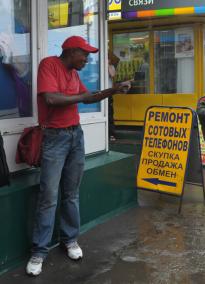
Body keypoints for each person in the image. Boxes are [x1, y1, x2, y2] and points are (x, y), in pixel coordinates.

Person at [26, 36, 131, 276]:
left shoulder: (74, 74)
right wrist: (82, 98)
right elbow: (50, 98)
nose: (87, 59)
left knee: (71, 194)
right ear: (71, 51)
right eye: (84, 54)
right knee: (49, 196)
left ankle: (70, 240)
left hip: (75, 136)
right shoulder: (49, 65)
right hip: (54, 138)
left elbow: (89, 96)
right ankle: (39, 251)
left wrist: (113, 90)